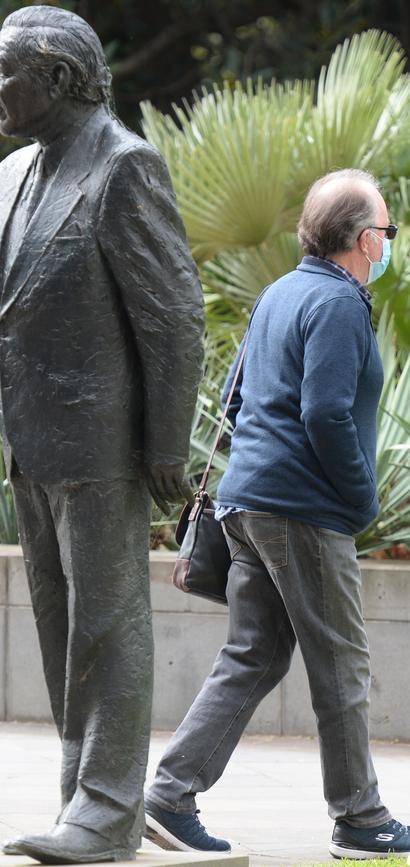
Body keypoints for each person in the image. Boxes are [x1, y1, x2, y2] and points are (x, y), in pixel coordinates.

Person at [0, 6, 205, 864]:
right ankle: (82, 800)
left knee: (108, 629)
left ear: (62, 78)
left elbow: (175, 318)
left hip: (105, 449)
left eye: (6, 73)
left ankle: (107, 814)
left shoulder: (125, 169)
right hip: (30, 449)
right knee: (60, 630)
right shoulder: (8, 178)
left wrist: (165, 446)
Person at [144, 168, 410, 861]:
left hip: (246, 500)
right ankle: (360, 817)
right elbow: (324, 412)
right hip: (302, 507)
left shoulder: (279, 293)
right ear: (361, 238)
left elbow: (236, 398)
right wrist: (359, 498)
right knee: (343, 663)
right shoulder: (341, 304)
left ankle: (170, 793)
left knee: (254, 651)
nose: (389, 242)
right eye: (386, 230)